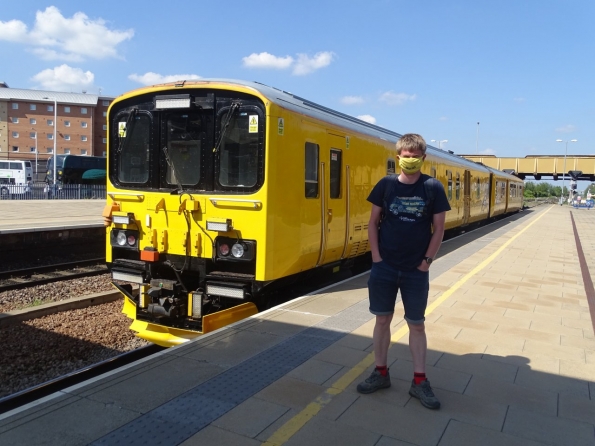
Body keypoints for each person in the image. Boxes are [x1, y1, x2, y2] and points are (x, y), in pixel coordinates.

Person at [356, 133, 451, 410]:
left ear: (423, 158)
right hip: (384, 267)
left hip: (415, 270)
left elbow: (439, 229)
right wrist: (376, 256)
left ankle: (419, 382)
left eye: (414, 156)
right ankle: (380, 373)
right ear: (398, 157)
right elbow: (373, 222)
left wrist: (427, 261)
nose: (409, 160)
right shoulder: (385, 185)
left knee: (416, 324)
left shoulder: (432, 187)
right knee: (382, 321)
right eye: (405, 155)